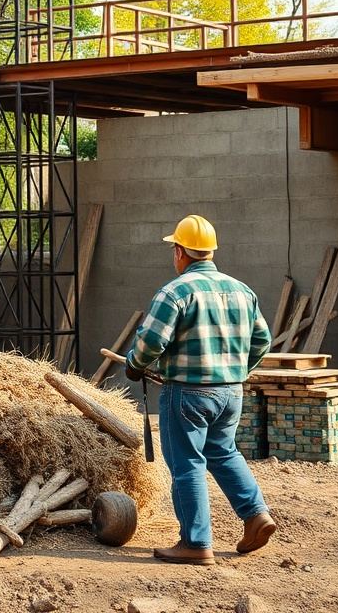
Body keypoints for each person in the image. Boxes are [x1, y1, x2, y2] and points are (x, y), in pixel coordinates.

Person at [126, 214, 275, 566]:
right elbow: (263, 340)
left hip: (188, 394)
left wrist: (135, 363)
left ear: (179, 252)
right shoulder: (242, 290)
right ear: (209, 252)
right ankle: (256, 515)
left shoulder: (175, 291)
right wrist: (235, 370)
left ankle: (195, 542)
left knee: (186, 462)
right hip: (231, 393)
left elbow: (151, 341)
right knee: (223, 452)